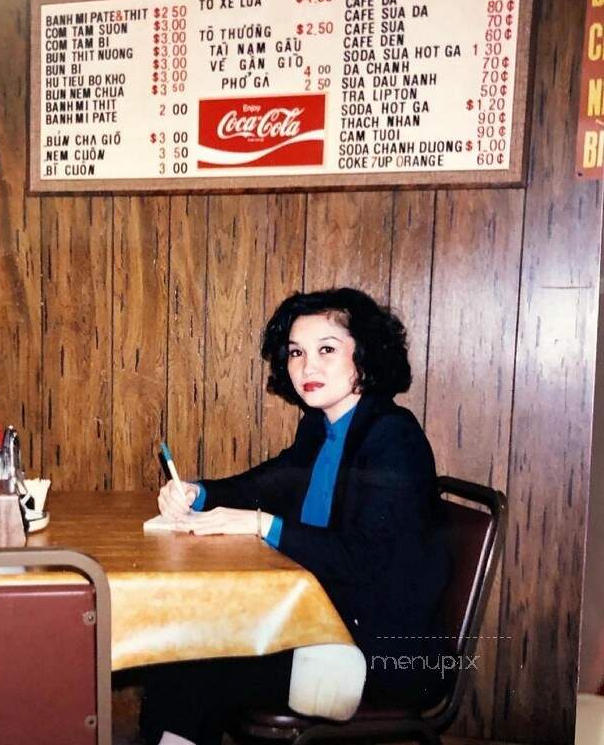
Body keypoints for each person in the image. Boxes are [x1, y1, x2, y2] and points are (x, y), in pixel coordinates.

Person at [142, 287, 452, 745]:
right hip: (325, 621)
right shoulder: (321, 426)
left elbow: (363, 561)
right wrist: (199, 492)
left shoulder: (393, 438)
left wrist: (261, 524)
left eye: (327, 349)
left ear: (364, 355)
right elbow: (269, 481)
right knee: (184, 649)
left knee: (195, 666)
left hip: (377, 653)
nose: (307, 366)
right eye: (296, 352)